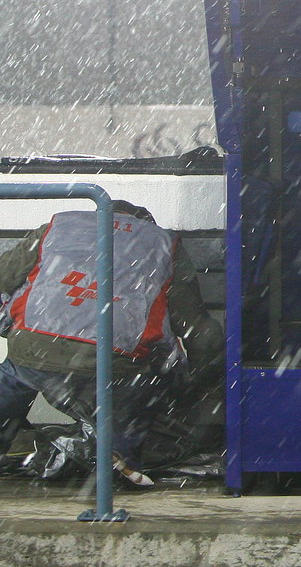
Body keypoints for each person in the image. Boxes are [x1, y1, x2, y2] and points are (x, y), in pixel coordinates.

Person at [0, 199, 219, 488]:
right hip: (115, 360)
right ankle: (119, 460)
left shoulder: (60, 224)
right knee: (134, 398)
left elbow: (5, 275)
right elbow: (197, 328)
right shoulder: (165, 244)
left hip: (36, 347)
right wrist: (202, 378)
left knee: (14, 378)